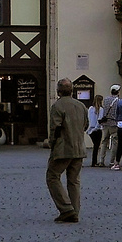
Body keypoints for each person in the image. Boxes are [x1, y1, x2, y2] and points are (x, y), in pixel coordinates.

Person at [46, 79, 89, 223]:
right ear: (72, 90)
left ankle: (66, 208)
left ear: (58, 91)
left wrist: (52, 143)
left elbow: (55, 128)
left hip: (63, 148)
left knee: (52, 176)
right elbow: (86, 125)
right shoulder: (81, 105)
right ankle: (75, 211)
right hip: (79, 148)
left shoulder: (57, 106)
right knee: (74, 181)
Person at [85, 96, 104, 167]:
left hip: (91, 129)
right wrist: (96, 128)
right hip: (97, 129)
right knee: (96, 146)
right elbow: (99, 120)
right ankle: (94, 161)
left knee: (95, 145)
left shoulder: (90, 108)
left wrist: (89, 129)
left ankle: (94, 161)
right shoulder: (101, 109)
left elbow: (89, 119)